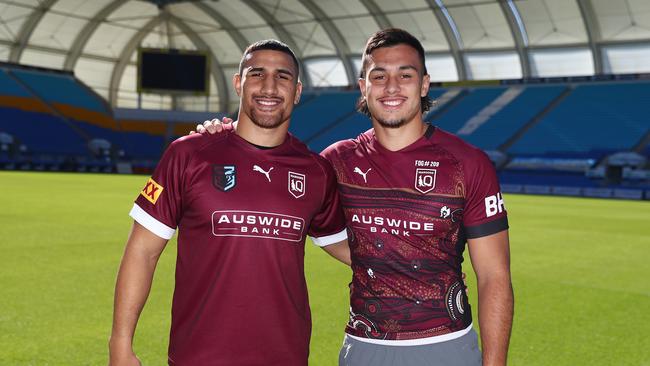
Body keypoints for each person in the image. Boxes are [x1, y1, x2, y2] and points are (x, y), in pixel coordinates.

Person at [198, 29, 513, 366]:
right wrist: (222, 139)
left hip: (447, 345)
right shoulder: (335, 162)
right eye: (379, 76)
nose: (391, 87)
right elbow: (268, 182)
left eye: (405, 75)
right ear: (363, 87)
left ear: (423, 84)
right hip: (364, 348)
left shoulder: (467, 163)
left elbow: (495, 277)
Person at [109, 39, 350, 366]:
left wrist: (424, 257)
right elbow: (143, 251)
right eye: (256, 74)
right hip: (199, 356)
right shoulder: (189, 154)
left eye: (282, 77)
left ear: (296, 91)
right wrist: (120, 344)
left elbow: (347, 247)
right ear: (238, 83)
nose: (269, 86)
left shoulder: (316, 171)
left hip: (286, 356)